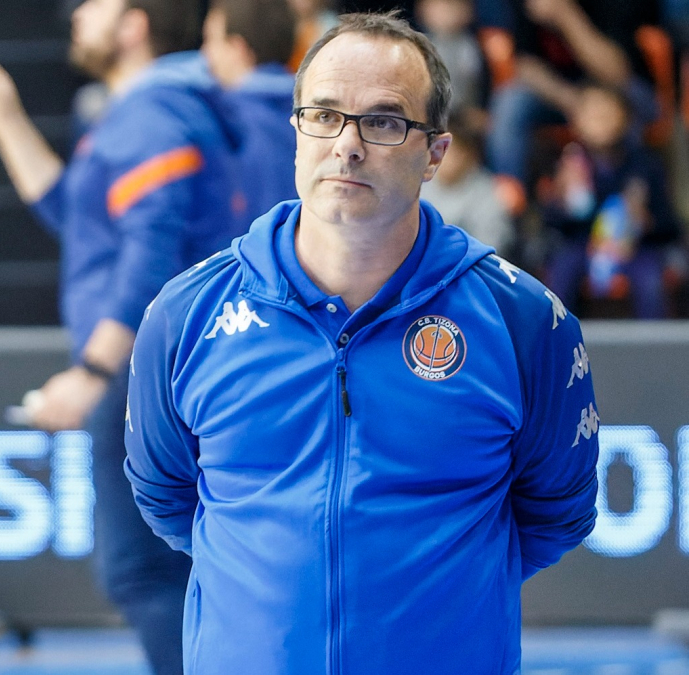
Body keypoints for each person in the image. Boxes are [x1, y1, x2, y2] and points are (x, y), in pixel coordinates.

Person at [125, 13, 599, 674]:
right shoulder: (186, 314)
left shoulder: (522, 320)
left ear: (435, 152)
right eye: (324, 114)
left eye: (384, 121)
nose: (347, 145)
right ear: (296, 130)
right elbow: (167, 499)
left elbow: (556, 515)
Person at [0, 0, 243, 672]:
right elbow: (82, 221)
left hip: (152, 373)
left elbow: (150, 252)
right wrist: (5, 121)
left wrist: (93, 372)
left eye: (97, 4)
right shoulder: (138, 114)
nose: (79, 14)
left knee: (143, 568)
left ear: (135, 23)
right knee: (164, 567)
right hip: (158, 367)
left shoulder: (152, 115)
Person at [540, 83, 682, 319]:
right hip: (582, 245)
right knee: (559, 275)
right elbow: (553, 223)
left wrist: (647, 222)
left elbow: (669, 224)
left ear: (626, 119)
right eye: (592, 114)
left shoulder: (645, 165)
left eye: (607, 113)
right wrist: (561, 202)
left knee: (650, 281)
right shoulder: (569, 163)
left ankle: (653, 347)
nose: (600, 120)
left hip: (636, 248)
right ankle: (561, 347)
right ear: (577, 121)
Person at [486, 0, 659, 182]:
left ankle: (629, 193)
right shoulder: (524, 6)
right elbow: (525, 66)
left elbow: (616, 72)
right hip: (557, 92)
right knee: (508, 103)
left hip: (614, 89)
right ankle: (511, 198)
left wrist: (566, 15)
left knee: (621, 109)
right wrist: (573, 101)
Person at [201, 0, 299, 227]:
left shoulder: (226, 125)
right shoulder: (316, 117)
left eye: (211, 41)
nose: (205, 55)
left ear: (238, 49)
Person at [419, 109, 513, 252]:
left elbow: (489, 251)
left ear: (472, 156)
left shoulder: (489, 194)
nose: (446, 157)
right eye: (443, 148)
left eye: (456, 151)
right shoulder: (417, 180)